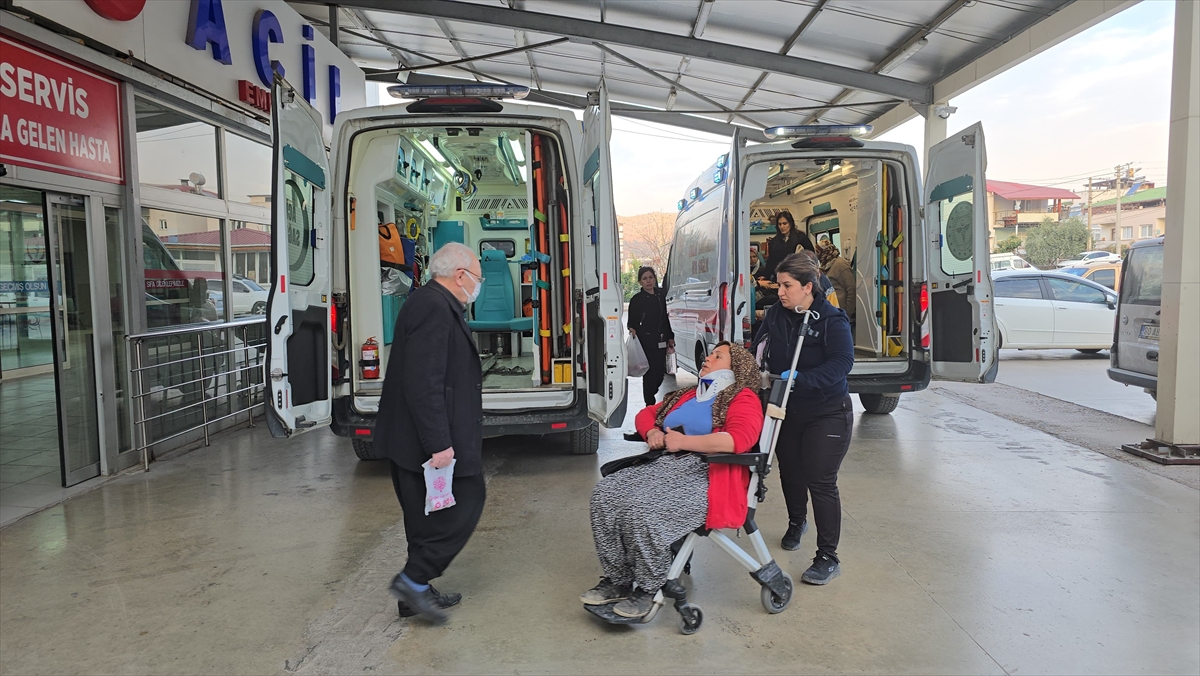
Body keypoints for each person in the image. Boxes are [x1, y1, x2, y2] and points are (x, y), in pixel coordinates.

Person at [581, 343, 765, 618]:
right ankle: (618, 579)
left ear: (735, 369)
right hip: (666, 465)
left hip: (708, 474)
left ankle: (647, 588)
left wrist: (684, 441)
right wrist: (652, 431)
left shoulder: (742, 398)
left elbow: (738, 439)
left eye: (718, 356)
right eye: (710, 353)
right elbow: (646, 414)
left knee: (642, 507)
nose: (708, 358)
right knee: (605, 495)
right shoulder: (689, 394)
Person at [375, 242, 486, 624]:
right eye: (478, 278)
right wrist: (439, 443)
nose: (479, 285)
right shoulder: (432, 307)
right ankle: (413, 579)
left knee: (424, 519)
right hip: (424, 439)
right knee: (468, 500)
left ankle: (416, 593)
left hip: (416, 437)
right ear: (460, 276)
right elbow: (424, 382)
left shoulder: (435, 303)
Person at [753, 254, 854, 586]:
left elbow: (841, 365)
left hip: (826, 411)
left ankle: (828, 556)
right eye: (779, 285)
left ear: (808, 287)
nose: (780, 292)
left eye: (787, 286)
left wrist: (799, 379)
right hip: (786, 410)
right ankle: (797, 521)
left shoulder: (831, 320)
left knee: (820, 480)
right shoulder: (775, 316)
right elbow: (759, 348)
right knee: (791, 472)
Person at [627, 266, 675, 406]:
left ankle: (651, 392)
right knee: (649, 374)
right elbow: (632, 322)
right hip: (645, 341)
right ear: (640, 282)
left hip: (661, 340)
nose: (648, 281)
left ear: (655, 278)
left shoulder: (661, 295)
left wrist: (670, 337)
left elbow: (665, 318)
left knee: (660, 374)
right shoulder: (637, 300)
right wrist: (632, 329)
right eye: (645, 278)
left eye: (651, 277)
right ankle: (649, 404)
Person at [761, 210, 814, 280]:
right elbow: (771, 262)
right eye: (779, 224)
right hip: (780, 276)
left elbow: (811, 256)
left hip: (797, 276)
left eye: (784, 223)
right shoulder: (774, 242)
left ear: (790, 224)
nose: (782, 226)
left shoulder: (801, 238)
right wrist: (765, 276)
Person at [818, 240, 855, 328]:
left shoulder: (840, 265)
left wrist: (847, 312)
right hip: (831, 311)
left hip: (841, 312)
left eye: (818, 252)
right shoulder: (826, 265)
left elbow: (852, 289)